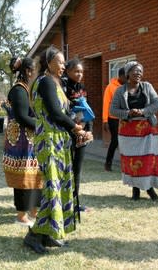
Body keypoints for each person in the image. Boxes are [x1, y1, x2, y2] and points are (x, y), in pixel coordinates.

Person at [23, 45, 85, 254]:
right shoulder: (46, 81)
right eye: (60, 61)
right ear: (49, 63)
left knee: (57, 188)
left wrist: (76, 123)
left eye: (64, 62)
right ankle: (33, 236)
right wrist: (76, 128)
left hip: (58, 140)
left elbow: (61, 113)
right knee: (52, 190)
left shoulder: (55, 82)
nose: (63, 65)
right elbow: (55, 114)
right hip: (49, 141)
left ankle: (48, 234)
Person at [110, 61, 158, 201]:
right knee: (132, 160)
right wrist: (128, 113)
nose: (138, 73)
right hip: (128, 131)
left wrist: (143, 111)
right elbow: (113, 110)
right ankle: (136, 189)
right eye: (135, 71)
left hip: (147, 128)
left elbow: (157, 104)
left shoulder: (147, 86)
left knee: (148, 159)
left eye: (140, 71)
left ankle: (149, 188)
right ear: (127, 73)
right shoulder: (120, 91)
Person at [2, 57, 42, 226]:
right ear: (28, 71)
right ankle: (21, 215)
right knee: (23, 178)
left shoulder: (29, 89)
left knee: (36, 176)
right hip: (20, 142)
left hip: (31, 141)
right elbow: (22, 117)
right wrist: (43, 125)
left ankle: (34, 210)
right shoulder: (19, 90)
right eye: (37, 71)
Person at [62, 58, 94, 214]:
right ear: (67, 71)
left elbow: (87, 110)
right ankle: (62, 202)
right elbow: (62, 111)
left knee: (77, 169)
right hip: (68, 132)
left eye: (81, 71)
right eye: (76, 71)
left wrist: (88, 129)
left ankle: (75, 203)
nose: (80, 74)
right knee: (65, 169)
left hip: (82, 134)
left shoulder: (82, 88)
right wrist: (74, 127)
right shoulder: (62, 87)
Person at [102, 67, 126, 171]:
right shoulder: (110, 87)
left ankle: (126, 166)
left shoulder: (127, 87)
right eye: (126, 76)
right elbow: (106, 103)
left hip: (125, 118)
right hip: (113, 119)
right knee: (115, 141)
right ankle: (108, 163)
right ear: (121, 76)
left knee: (125, 141)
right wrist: (105, 120)